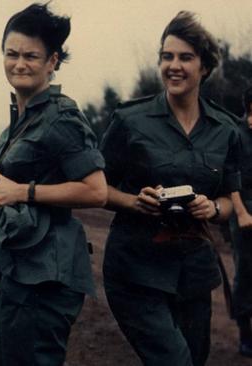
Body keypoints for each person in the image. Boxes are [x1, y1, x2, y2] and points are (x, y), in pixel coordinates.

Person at [0, 4, 108, 365]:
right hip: (21, 267)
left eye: (31, 56)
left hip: (46, 278)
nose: (19, 64)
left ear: (52, 61)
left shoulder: (62, 117)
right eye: (11, 54)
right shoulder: (24, 116)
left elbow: (96, 190)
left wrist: (21, 192)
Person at [100, 11, 241, 366]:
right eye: (167, 56)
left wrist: (213, 208)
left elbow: (229, 199)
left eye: (185, 57)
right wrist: (134, 201)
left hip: (193, 272)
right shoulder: (130, 120)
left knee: (194, 359)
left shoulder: (226, 129)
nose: (173, 66)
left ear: (205, 67)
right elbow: (95, 187)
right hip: (135, 269)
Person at [230, 85, 252, 357]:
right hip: (244, 210)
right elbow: (229, 176)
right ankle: (246, 335)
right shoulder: (235, 133)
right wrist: (242, 213)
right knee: (246, 272)